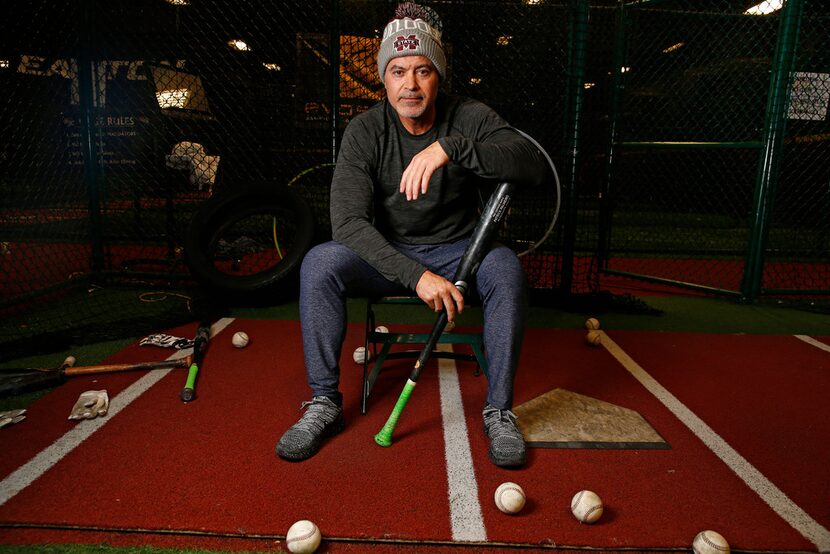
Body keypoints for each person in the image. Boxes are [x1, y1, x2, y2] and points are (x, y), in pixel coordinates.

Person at [276, 1, 546, 468]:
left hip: (462, 253)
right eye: (398, 71)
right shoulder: (365, 131)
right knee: (321, 262)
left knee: (506, 268)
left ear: (438, 75)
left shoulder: (466, 117)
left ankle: (498, 411)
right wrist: (415, 275)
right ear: (384, 77)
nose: (411, 84)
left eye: (423, 70)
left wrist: (452, 148)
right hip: (391, 257)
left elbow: (530, 162)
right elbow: (348, 224)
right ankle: (323, 403)